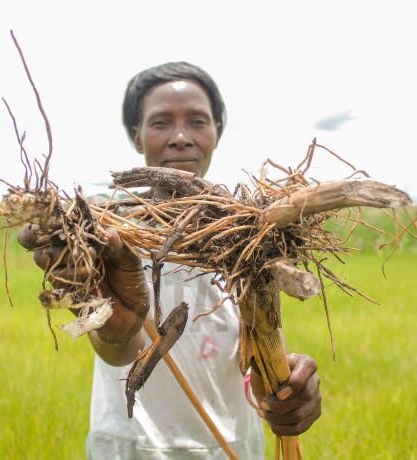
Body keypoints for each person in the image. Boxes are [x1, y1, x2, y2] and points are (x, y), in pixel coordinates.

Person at [19, 62, 321, 459]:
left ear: (217, 132)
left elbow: (256, 358)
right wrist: (117, 331)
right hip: (131, 449)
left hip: (230, 448)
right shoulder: (108, 230)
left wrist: (284, 392)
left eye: (197, 121)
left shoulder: (250, 233)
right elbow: (118, 347)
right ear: (136, 135)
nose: (181, 138)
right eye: (161, 122)